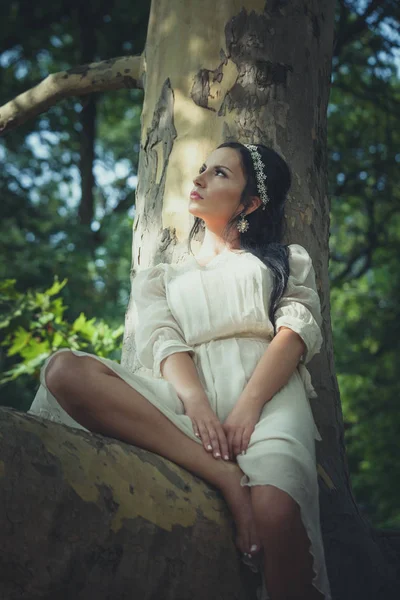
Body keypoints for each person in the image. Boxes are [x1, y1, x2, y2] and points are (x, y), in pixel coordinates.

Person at [28, 142, 332, 600]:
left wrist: (248, 407)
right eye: (203, 169)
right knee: (64, 370)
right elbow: (165, 344)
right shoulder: (162, 278)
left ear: (250, 203)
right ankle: (223, 475)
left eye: (220, 174)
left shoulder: (286, 261)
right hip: (189, 400)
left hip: (268, 397)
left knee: (274, 512)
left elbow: (294, 333)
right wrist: (198, 406)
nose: (200, 179)